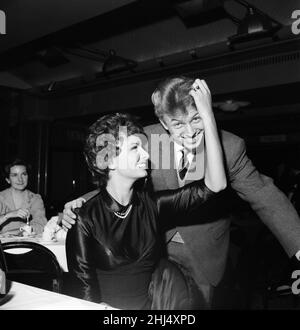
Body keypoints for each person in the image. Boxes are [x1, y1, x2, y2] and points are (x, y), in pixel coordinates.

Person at [62, 77, 300, 309]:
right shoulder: (147, 141)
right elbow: (116, 178)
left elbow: (263, 193)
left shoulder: (228, 147)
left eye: (196, 119)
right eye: (177, 124)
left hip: (203, 254)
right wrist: (80, 204)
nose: (190, 132)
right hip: (151, 250)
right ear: (164, 123)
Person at [65, 79, 227, 310]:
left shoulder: (152, 206)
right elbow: (83, 295)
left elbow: (215, 185)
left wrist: (208, 116)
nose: (146, 155)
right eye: (134, 148)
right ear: (109, 160)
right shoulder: (84, 219)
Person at [0, 158, 47, 235]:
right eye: (14, 175)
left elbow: (41, 225)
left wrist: (19, 232)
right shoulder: (1, 197)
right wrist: (8, 215)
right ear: (8, 180)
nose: (20, 179)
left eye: (24, 174)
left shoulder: (35, 199)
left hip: (28, 243)